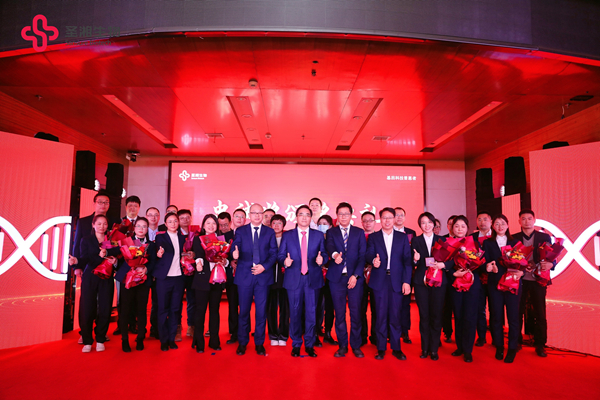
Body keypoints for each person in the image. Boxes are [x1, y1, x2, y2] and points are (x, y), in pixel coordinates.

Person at [278, 205, 328, 357]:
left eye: (307, 214)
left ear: (311, 218)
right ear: (296, 217)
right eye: (301, 214)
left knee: (311, 313)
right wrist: (285, 262)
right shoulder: (288, 235)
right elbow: (280, 255)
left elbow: (324, 254)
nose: (304, 217)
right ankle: (296, 344)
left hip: (313, 279)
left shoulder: (318, 235)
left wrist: (322, 259)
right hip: (294, 278)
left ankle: (309, 344)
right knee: (294, 312)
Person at [70, 190, 116, 345]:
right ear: (94, 203)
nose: (103, 205)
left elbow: (118, 246)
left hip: (106, 271)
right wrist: (77, 266)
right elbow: (77, 244)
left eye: (106, 202)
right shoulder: (83, 222)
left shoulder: (114, 223)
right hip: (88, 268)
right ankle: (84, 333)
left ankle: (101, 333)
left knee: (105, 303)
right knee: (87, 302)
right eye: (100, 202)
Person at [231, 203, 278, 356]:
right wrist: (234, 254)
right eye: (254, 213)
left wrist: (264, 267)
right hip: (245, 276)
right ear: (249, 215)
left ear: (263, 215)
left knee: (261, 312)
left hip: (263, 276)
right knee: (244, 311)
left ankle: (259, 343)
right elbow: (235, 246)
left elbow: (274, 254)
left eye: (260, 213)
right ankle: (242, 342)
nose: (257, 215)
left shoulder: (269, 232)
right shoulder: (241, 230)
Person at [366, 207, 412, 360]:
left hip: (396, 281)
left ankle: (396, 348)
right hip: (380, 280)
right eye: (384, 218)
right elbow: (368, 254)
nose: (387, 220)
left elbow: (407, 262)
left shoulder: (402, 237)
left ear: (394, 219)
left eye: (390, 217)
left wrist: (406, 282)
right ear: (380, 220)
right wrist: (374, 260)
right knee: (380, 315)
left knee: (395, 315)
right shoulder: (374, 237)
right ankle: (380, 348)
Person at [325, 202, 367, 358]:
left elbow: (362, 256)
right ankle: (342, 345)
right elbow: (330, 246)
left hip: (354, 279)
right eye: (340, 214)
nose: (343, 216)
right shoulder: (331, 232)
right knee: (339, 313)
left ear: (351, 215)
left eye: (346, 214)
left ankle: (355, 345)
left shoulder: (358, 232)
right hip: (336, 279)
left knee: (356, 313)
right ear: (337, 216)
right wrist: (335, 255)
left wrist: (355, 275)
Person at [74, 214, 119, 353]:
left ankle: (100, 338)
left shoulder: (111, 241)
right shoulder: (86, 240)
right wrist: (76, 262)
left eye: (104, 224)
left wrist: (115, 261)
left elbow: (117, 255)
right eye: (99, 224)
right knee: (87, 307)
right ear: (93, 225)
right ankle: (87, 340)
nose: (102, 226)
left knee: (105, 307)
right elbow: (84, 259)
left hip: (106, 277)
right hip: (90, 276)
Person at [513, 209, 554, 358]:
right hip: (520, 279)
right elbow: (510, 258)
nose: (526, 221)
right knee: (517, 312)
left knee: (540, 312)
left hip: (538, 280)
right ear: (519, 221)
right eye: (523, 219)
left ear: (534, 220)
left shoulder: (544, 237)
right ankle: (516, 341)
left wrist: (551, 264)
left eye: (529, 218)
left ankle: (540, 344)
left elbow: (551, 257)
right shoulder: (514, 238)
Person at [411, 212, 452, 360]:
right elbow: (410, 261)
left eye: (429, 222)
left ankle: (434, 349)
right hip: (421, 282)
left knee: (436, 314)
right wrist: (415, 260)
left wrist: (443, 265)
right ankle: (424, 348)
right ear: (420, 225)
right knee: (424, 316)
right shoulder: (415, 240)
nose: (426, 225)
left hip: (438, 281)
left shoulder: (442, 240)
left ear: (434, 224)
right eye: (423, 223)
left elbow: (452, 260)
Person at [482, 214, 522, 363]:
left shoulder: (515, 242)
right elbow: (483, 262)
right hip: (495, 284)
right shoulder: (488, 243)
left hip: (512, 283)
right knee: (496, 316)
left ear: (508, 225)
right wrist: (487, 267)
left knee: (513, 317)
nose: (500, 226)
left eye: (503, 223)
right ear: (493, 226)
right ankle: (499, 346)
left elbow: (522, 262)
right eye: (497, 224)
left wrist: (521, 272)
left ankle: (512, 347)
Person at [114, 217, 154, 352]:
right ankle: (124, 339)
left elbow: (153, 262)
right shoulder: (126, 242)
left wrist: (146, 268)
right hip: (127, 279)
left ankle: (141, 337)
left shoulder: (151, 245)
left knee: (141, 310)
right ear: (134, 228)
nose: (141, 229)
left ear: (147, 229)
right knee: (125, 309)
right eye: (139, 226)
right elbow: (118, 257)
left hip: (143, 280)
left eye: (144, 226)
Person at [191, 214, 227, 353]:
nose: (211, 226)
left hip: (217, 279)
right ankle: (199, 342)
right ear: (203, 225)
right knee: (200, 311)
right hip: (202, 279)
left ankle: (214, 341)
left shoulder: (221, 239)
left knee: (214, 311)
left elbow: (225, 257)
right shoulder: (198, 239)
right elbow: (198, 254)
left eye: (213, 223)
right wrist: (198, 263)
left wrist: (225, 261)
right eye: (208, 223)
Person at [152, 212, 188, 351]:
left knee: (175, 309)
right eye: (170, 221)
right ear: (165, 224)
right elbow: (158, 249)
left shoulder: (183, 238)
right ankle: (163, 339)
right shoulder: (160, 237)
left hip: (179, 278)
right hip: (164, 278)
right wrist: (158, 253)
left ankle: (172, 339)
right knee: (162, 309)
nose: (173, 224)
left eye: (175, 221)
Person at [448, 215, 481, 363]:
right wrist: (453, 273)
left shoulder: (475, 244)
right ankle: (459, 346)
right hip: (455, 284)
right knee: (458, 316)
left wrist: (471, 269)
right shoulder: (449, 244)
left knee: (470, 316)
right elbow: (444, 264)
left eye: (463, 226)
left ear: (467, 228)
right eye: (456, 226)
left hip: (472, 285)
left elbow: (480, 263)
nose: (459, 229)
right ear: (452, 228)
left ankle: (468, 349)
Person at [393, 207, 416, 344]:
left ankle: (405, 331)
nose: (399, 217)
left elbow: (413, 253)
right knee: (391, 304)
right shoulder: (387, 232)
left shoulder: (411, 233)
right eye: (396, 215)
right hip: (391, 274)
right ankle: (391, 331)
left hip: (406, 273)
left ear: (405, 217)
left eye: (401, 215)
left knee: (405, 304)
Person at [267, 214, 289, 347]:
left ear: (284, 225)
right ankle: (273, 334)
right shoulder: (266, 238)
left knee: (285, 309)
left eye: (279, 223)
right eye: (274, 223)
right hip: (269, 278)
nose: (276, 226)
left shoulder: (288, 238)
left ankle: (283, 335)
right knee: (271, 308)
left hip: (285, 278)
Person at [315, 215, 337, 346]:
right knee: (316, 305)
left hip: (331, 277)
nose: (322, 226)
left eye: (325, 223)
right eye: (320, 223)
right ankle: (315, 332)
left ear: (330, 226)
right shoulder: (315, 238)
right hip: (317, 276)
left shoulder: (334, 239)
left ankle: (328, 333)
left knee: (330, 306)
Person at [472, 211, 493, 347]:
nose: (482, 222)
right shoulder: (472, 238)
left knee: (495, 309)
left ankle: (496, 337)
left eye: (485, 219)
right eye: (479, 219)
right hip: (477, 278)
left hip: (493, 278)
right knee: (479, 309)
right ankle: (481, 336)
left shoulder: (497, 236)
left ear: (490, 221)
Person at [177, 209, 196, 340]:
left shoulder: (196, 234)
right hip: (178, 271)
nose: (185, 220)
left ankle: (191, 325)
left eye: (187, 217)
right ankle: (177, 326)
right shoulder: (174, 233)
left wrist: (194, 253)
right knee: (177, 300)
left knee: (192, 299)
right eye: (182, 218)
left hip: (192, 272)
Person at [360, 211, 378, 347]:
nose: (367, 223)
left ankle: (376, 336)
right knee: (361, 308)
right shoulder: (358, 236)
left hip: (376, 276)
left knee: (376, 308)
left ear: (375, 222)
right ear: (361, 222)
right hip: (360, 276)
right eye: (365, 221)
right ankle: (362, 336)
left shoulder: (379, 237)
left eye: (370, 220)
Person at [146, 207, 161, 339]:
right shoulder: (141, 232)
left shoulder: (163, 233)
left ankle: (155, 328)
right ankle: (139, 328)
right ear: (146, 217)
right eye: (150, 215)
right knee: (142, 302)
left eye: (156, 215)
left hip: (159, 273)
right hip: (143, 272)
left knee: (157, 302)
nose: (153, 217)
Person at [441, 214, 457, 343]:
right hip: (445, 278)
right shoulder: (443, 240)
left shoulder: (466, 241)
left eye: (455, 224)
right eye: (451, 224)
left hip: (462, 279)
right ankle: (447, 332)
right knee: (445, 307)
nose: (453, 227)